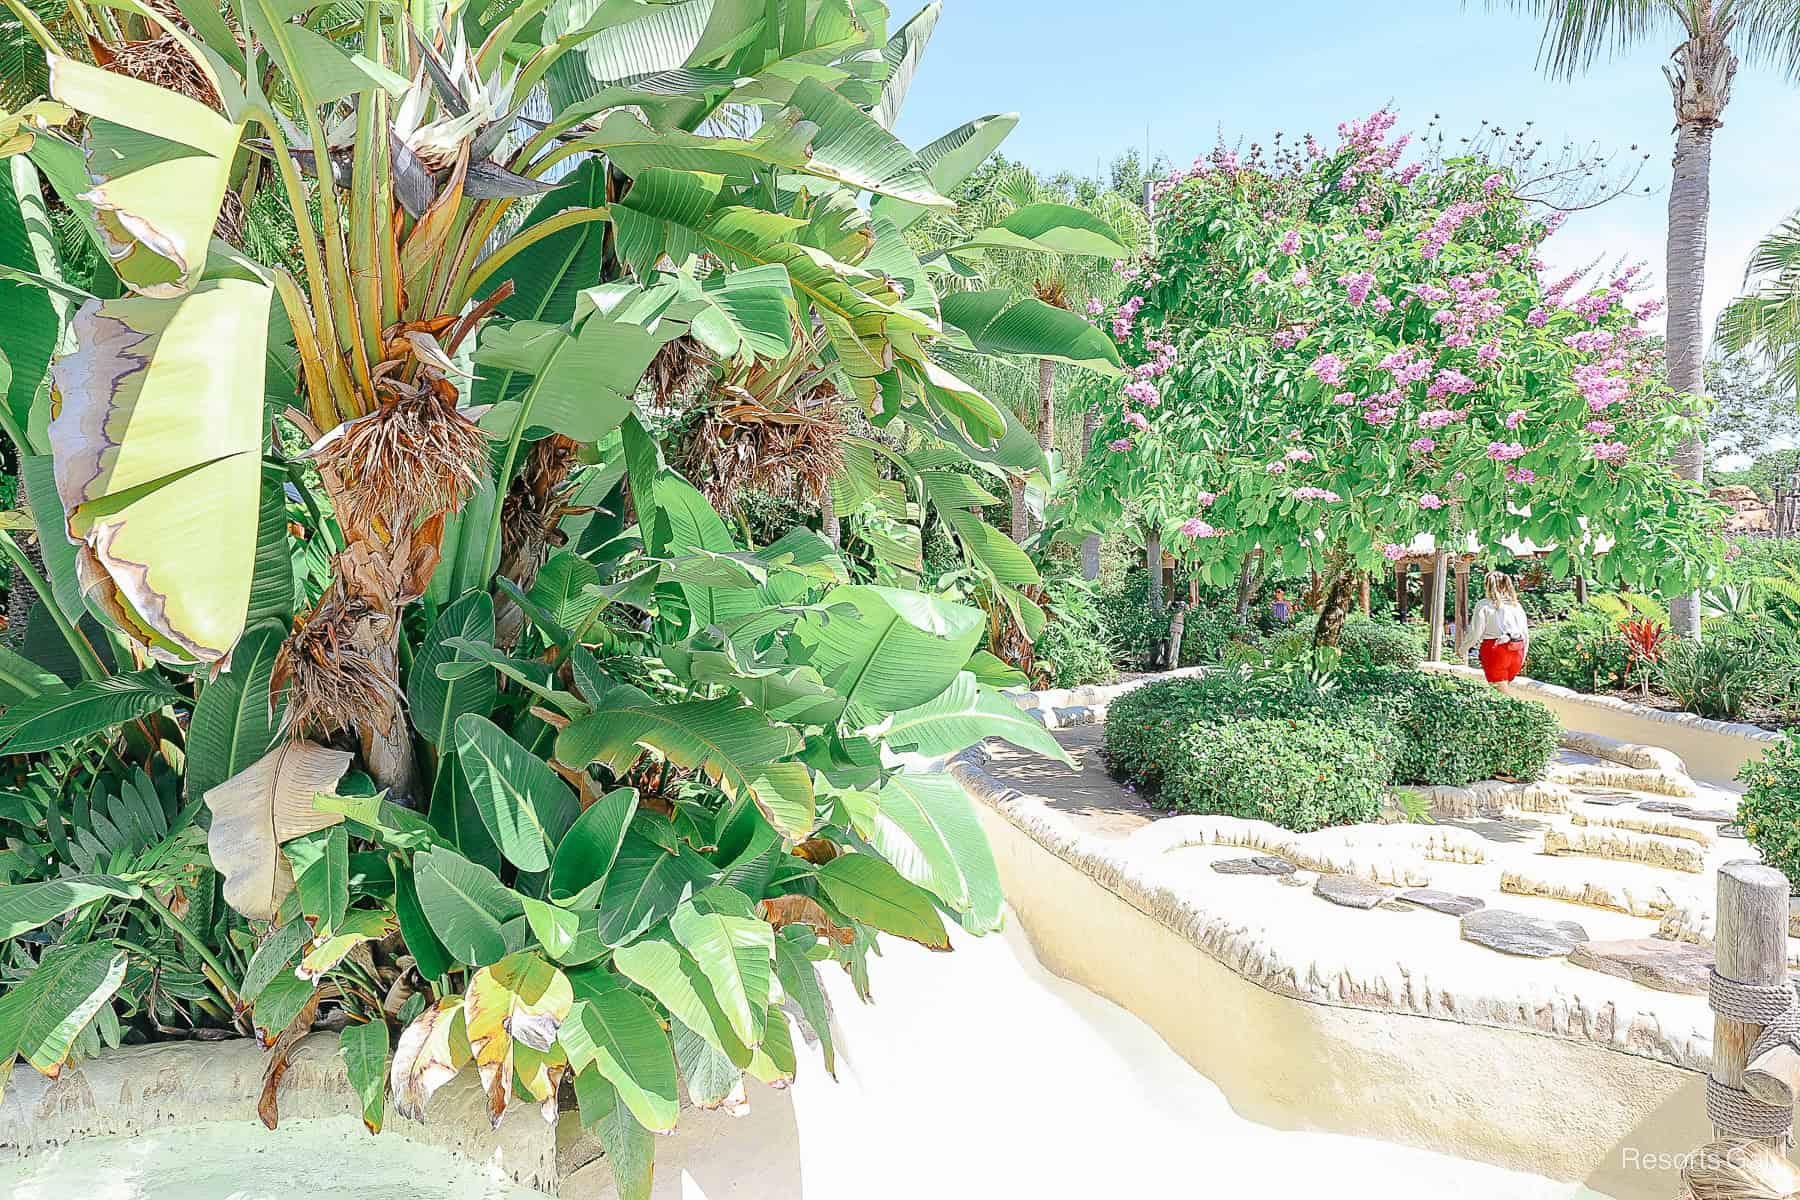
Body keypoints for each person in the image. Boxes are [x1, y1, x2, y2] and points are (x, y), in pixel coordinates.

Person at [1456, 571, 1529, 692]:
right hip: (1517, 650)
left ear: (1487, 585)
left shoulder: (1484, 605)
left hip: (1495, 651)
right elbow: (1525, 633)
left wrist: (1462, 650)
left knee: (1500, 696)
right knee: (1506, 691)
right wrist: (1522, 657)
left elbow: (1475, 633)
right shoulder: (1516, 605)